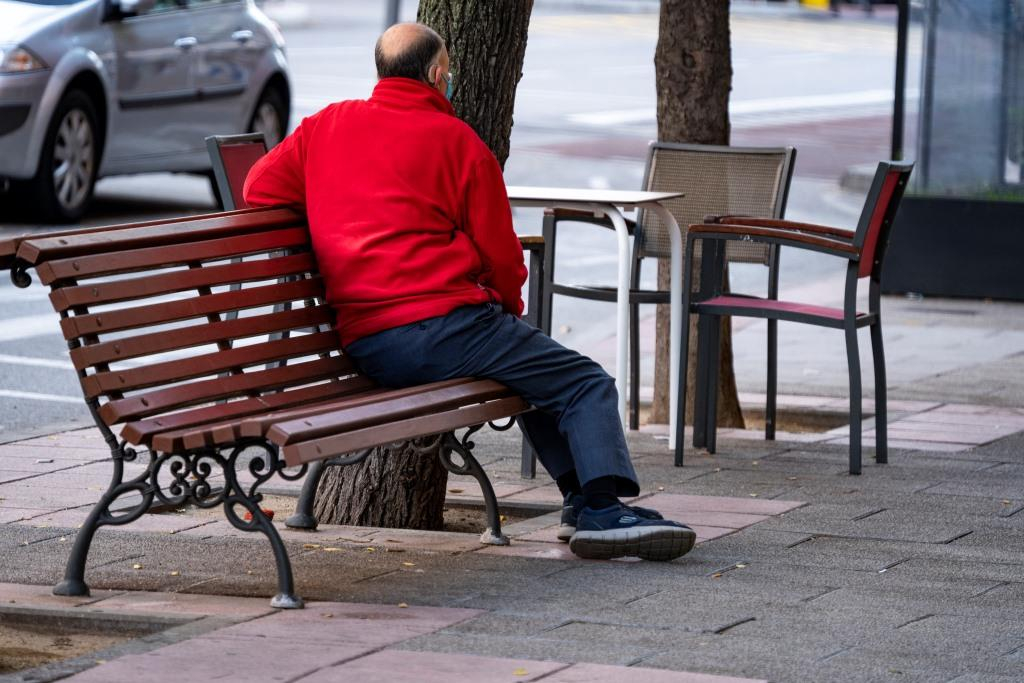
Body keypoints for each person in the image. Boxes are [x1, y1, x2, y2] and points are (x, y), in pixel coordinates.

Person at [243, 22, 695, 561]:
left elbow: (257, 187)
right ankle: (602, 510)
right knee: (583, 382)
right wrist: (507, 313)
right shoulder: (459, 143)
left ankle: (579, 500)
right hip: (449, 329)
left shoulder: (327, 126)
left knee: (533, 374)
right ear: (438, 75)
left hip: (366, 343)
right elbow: (501, 257)